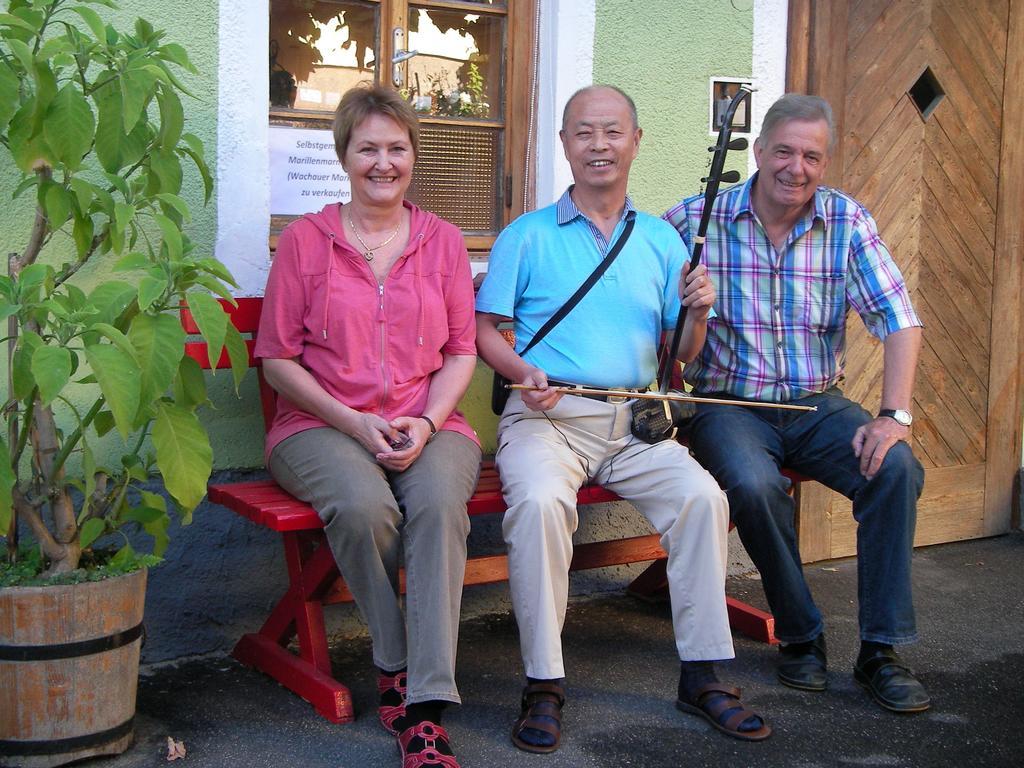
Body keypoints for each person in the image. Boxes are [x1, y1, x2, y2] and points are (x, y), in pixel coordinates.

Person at [475, 84, 771, 753]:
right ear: (565, 145)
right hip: (545, 420)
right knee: (542, 507)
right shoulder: (528, 235)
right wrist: (522, 372)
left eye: (612, 132)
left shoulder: (663, 240)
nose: (599, 145)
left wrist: (697, 311)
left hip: (635, 423)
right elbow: (484, 330)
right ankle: (543, 682)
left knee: (702, 498)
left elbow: (683, 356)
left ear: (635, 141)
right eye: (584, 132)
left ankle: (703, 674)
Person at [664, 93, 930, 713]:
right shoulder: (696, 219)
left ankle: (881, 651)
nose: (797, 168)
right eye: (784, 151)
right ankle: (801, 634)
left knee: (894, 470)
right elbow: (645, 300)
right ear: (759, 152)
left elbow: (899, 320)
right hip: (726, 403)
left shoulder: (845, 221)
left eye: (812, 156)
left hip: (815, 403)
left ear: (826, 161)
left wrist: (892, 416)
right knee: (755, 486)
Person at [255, 84, 481, 767]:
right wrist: (355, 423)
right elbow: (276, 359)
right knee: (363, 507)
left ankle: (426, 706)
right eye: (368, 149)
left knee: (440, 505)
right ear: (344, 157)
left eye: (397, 148)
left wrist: (427, 419)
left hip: (428, 419)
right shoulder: (306, 240)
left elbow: (462, 351)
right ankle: (395, 662)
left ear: (413, 155)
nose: (384, 163)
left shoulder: (441, 241)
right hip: (319, 424)